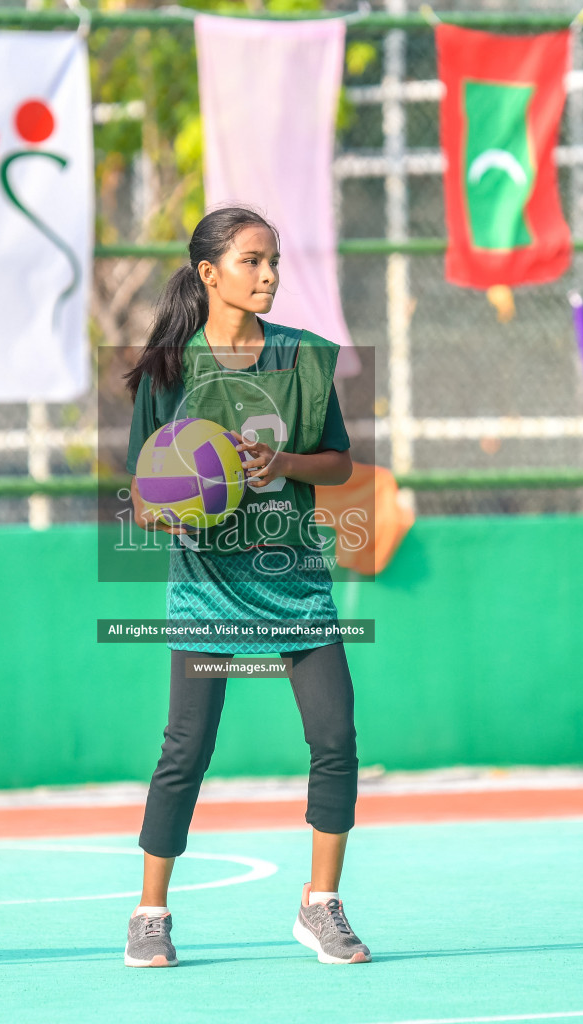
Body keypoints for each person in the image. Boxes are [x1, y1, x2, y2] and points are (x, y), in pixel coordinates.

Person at [119, 206, 369, 968]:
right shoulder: (167, 370)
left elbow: (339, 464)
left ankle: (320, 905)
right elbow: (138, 492)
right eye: (253, 261)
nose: (269, 275)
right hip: (205, 589)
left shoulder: (304, 359)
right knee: (185, 751)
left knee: (336, 739)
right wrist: (173, 509)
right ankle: (150, 912)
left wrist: (283, 465)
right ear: (209, 273)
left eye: (274, 262)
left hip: (293, 584)